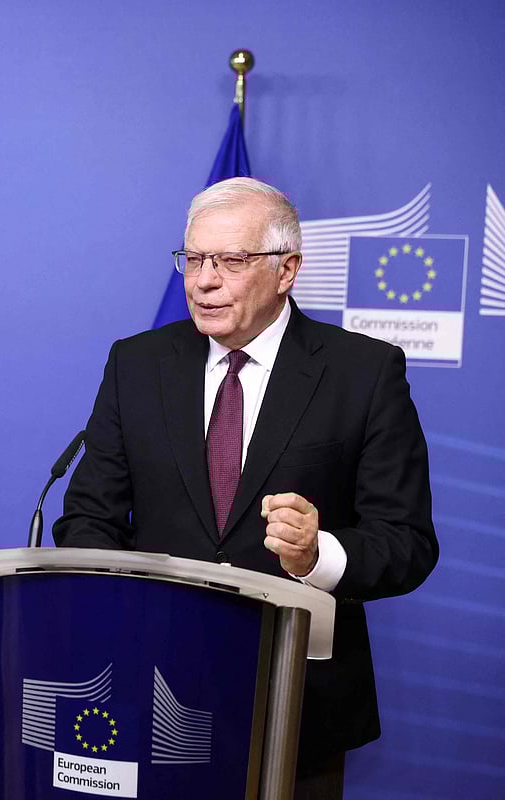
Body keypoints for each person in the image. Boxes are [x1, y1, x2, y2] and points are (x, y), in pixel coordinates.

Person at [52, 177, 438, 799]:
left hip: (297, 706)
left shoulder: (363, 373)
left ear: (287, 270)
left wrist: (317, 555)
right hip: (151, 689)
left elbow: (407, 542)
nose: (204, 281)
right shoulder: (136, 364)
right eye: (194, 259)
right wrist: (124, 613)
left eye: (231, 261)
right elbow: (87, 519)